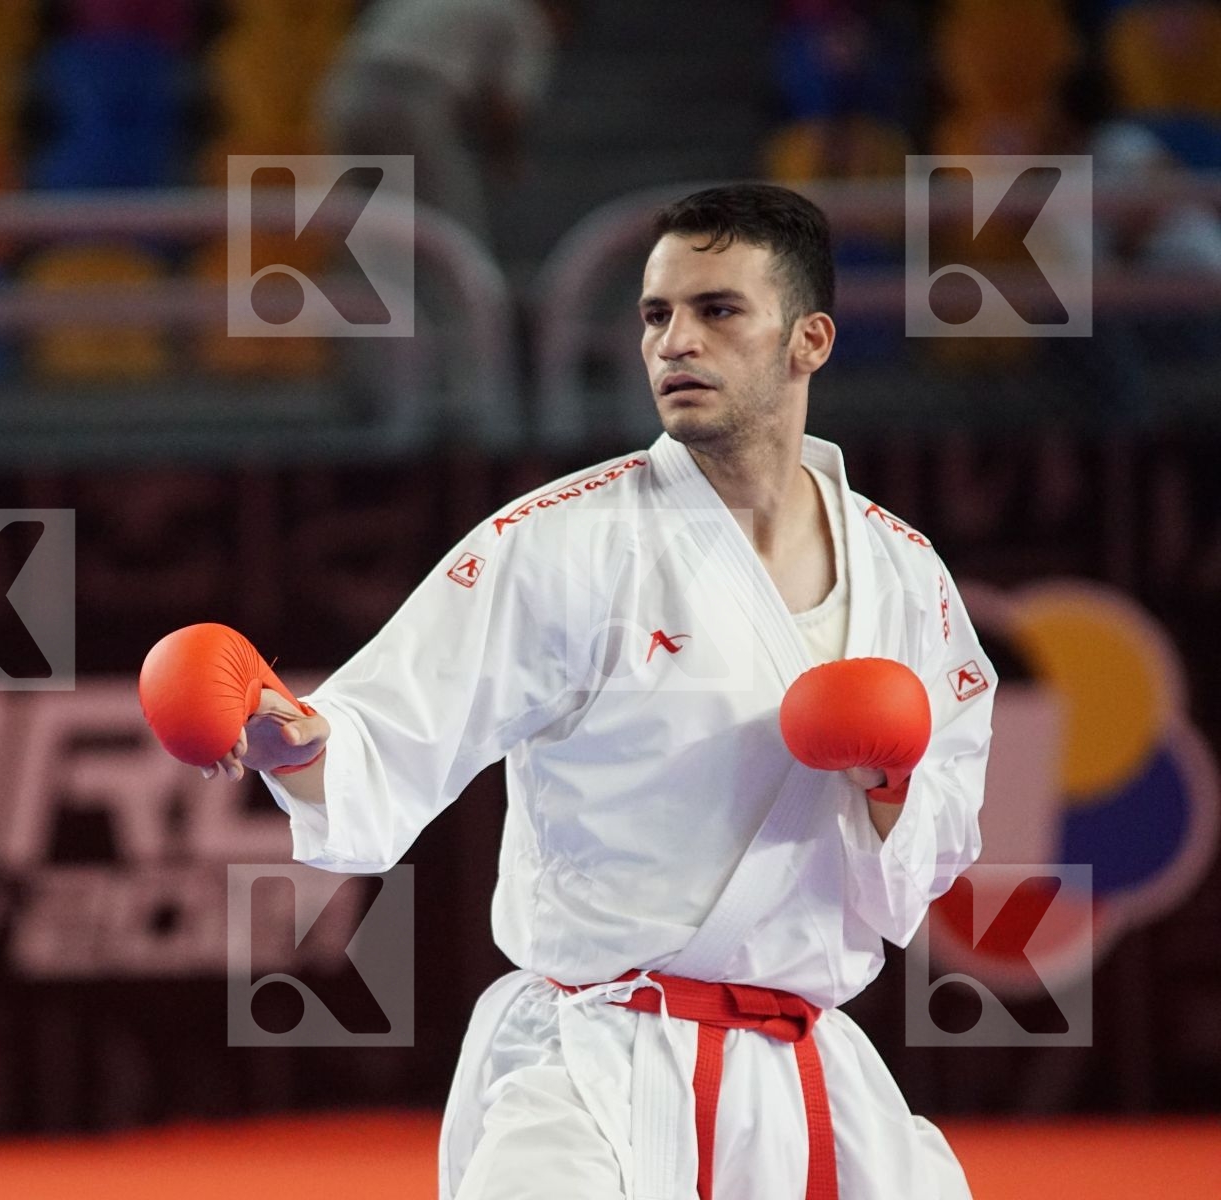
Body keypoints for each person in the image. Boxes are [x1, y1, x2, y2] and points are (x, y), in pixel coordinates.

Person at [145, 184, 994, 1197]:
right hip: (595, 1069)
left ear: (809, 340)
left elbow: (937, 857)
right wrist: (297, 745)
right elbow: (389, 727)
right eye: (655, 315)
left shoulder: (906, 575)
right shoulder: (565, 542)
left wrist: (893, 782)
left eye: (718, 310)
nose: (676, 342)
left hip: (807, 1074)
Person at [317, 0, 573, 242]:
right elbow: (506, 109)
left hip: (346, 91)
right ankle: (453, 277)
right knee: (449, 227)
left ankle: (378, 274)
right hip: (412, 95)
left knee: (370, 221)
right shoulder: (527, 18)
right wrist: (505, 157)